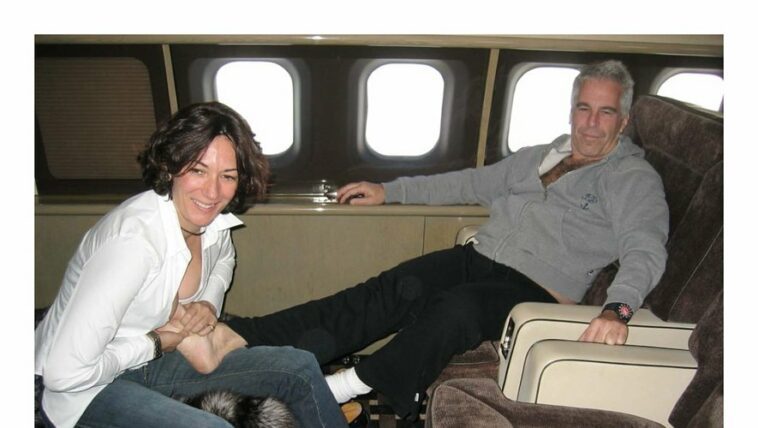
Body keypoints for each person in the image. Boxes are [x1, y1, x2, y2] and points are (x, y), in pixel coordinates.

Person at [171, 60, 670, 420]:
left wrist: (618, 309)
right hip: (479, 258)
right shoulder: (541, 155)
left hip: (537, 291)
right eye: (584, 108)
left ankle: (341, 387)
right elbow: (468, 183)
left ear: (623, 120)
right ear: (571, 110)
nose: (591, 122)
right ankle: (239, 336)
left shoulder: (631, 178)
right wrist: (389, 191)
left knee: (457, 309)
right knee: (386, 289)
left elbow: (645, 246)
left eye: (605, 112)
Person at [34, 102, 348, 428]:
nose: (212, 192)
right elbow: (63, 374)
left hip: (151, 361)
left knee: (299, 368)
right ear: (170, 165)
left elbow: (224, 260)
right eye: (198, 170)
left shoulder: (212, 224)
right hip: (87, 389)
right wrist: (153, 344)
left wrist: (208, 303)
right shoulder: (133, 245)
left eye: (227, 176)